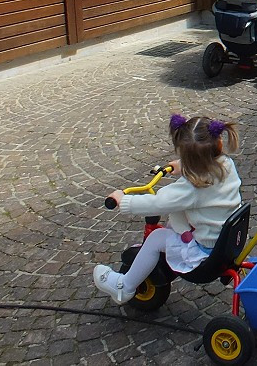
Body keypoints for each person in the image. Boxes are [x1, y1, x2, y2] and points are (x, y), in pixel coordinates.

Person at [93, 114, 242, 304]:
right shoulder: (225, 165)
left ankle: (124, 287)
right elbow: (203, 165)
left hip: (206, 252)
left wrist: (124, 201)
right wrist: (184, 166)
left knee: (156, 238)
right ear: (219, 143)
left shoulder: (193, 188)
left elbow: (159, 203)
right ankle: (173, 246)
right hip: (225, 240)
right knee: (178, 217)